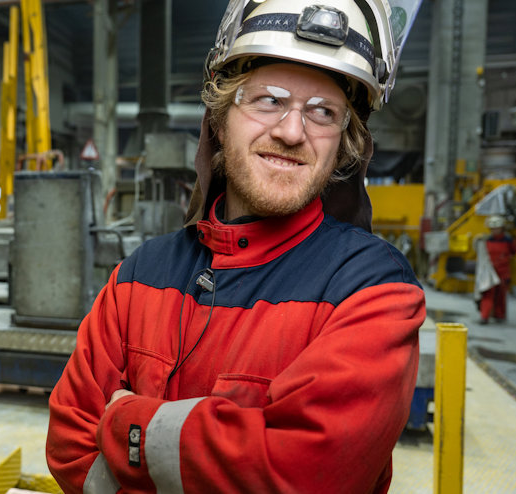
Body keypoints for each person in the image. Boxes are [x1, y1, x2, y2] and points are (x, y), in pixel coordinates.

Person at [46, 1, 426, 492]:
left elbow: (308, 473)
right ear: (220, 118)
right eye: (269, 99)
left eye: (323, 111)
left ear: (344, 143)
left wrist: (127, 426)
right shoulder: (136, 277)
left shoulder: (374, 290)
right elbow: (69, 445)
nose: (292, 132)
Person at [478, 215, 516, 324]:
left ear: (502, 228)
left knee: (501, 296)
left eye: (497, 228)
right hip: (489, 273)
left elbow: (514, 252)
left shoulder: (508, 241)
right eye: (493, 229)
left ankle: (499, 316)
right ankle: (484, 316)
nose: (495, 231)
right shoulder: (486, 240)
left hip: (503, 273)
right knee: (487, 294)